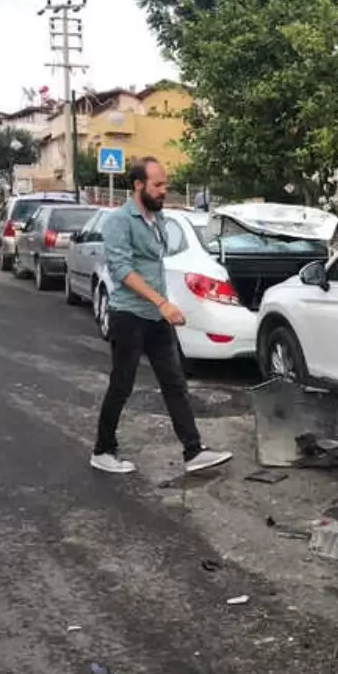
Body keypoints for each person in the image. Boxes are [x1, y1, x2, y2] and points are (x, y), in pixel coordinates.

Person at [91, 156, 233, 475]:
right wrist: (161, 302)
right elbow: (122, 269)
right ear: (138, 185)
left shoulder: (159, 220)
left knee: (174, 383)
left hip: (156, 317)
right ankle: (102, 450)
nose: (164, 190)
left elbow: (158, 264)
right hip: (128, 315)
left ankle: (193, 451)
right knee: (122, 384)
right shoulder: (119, 221)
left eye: (165, 184)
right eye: (157, 185)